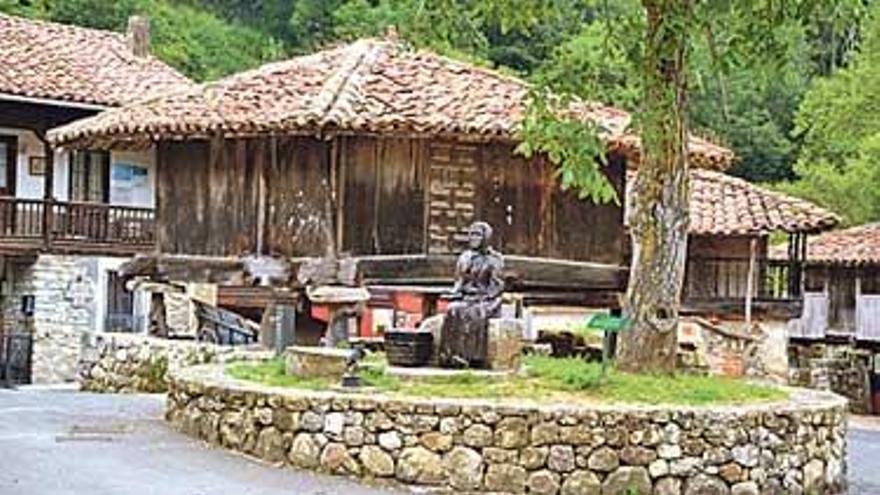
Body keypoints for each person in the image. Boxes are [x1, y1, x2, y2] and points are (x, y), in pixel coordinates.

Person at [438, 221, 504, 368]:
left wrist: (483, 297)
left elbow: (497, 286)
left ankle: (470, 356)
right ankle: (448, 355)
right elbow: (459, 282)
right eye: (471, 234)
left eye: (477, 234)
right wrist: (453, 293)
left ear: (486, 237)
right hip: (467, 297)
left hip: (486, 300)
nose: (473, 238)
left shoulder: (494, 259)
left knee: (472, 313)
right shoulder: (465, 257)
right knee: (453, 309)